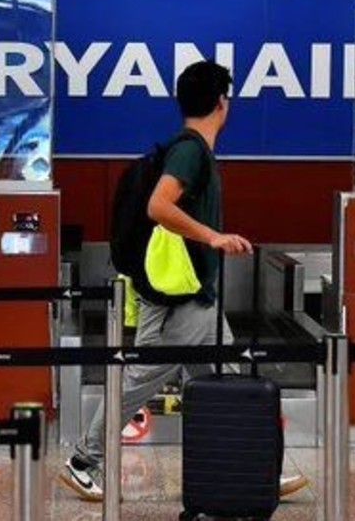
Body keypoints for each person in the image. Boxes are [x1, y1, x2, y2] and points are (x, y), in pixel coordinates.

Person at [58, 60, 309, 503]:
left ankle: (256, 470)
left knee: (203, 379)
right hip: (183, 298)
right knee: (186, 380)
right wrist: (212, 236)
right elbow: (158, 206)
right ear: (222, 103)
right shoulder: (191, 151)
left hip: (179, 293)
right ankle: (84, 460)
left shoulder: (187, 149)